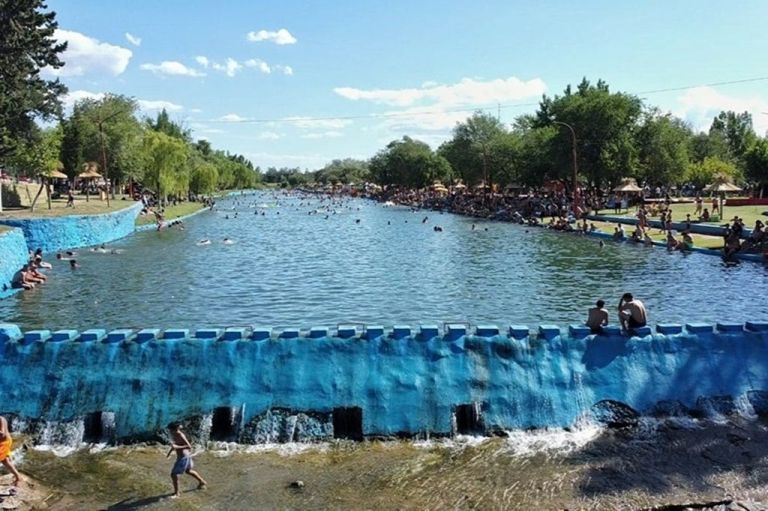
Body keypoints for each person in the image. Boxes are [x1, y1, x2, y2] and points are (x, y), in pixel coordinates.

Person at [166, 422, 207, 498]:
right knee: (188, 471)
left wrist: (177, 447)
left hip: (183, 457)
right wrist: (169, 453)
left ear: (175, 429)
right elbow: (175, 445)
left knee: (173, 474)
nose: (169, 431)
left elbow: (189, 446)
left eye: (170, 430)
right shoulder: (175, 434)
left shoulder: (180, 435)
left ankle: (177, 493)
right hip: (185, 456)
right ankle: (202, 482)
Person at [0, 416, 22, 486]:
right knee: (5, 461)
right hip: (3, 442)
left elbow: (2, 434)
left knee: (5, 461)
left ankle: (18, 477)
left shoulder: (1, 419)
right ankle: (18, 477)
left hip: (4, 443)